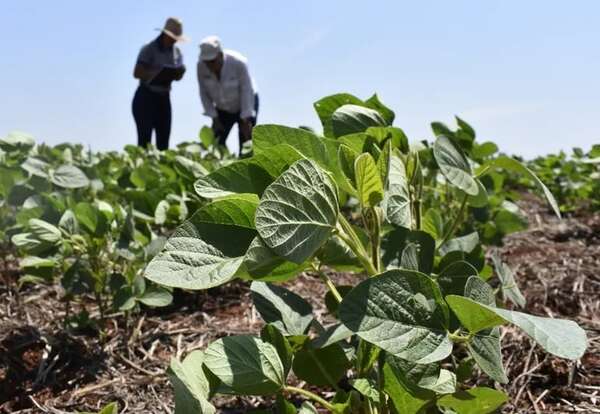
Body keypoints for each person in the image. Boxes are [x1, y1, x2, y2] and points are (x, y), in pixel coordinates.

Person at [132, 17, 187, 151]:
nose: (174, 40)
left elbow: (177, 76)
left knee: (163, 144)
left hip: (164, 98)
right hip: (146, 97)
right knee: (144, 142)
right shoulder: (149, 49)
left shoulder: (177, 52)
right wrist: (155, 74)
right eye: (172, 37)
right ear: (165, 34)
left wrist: (178, 73)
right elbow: (137, 72)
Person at [196, 36, 258, 152]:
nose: (210, 65)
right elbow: (203, 92)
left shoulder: (238, 62)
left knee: (246, 143)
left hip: (245, 103)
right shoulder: (201, 66)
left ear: (220, 54)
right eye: (207, 62)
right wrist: (214, 117)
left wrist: (246, 119)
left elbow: (246, 89)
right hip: (222, 108)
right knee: (216, 142)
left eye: (212, 61)